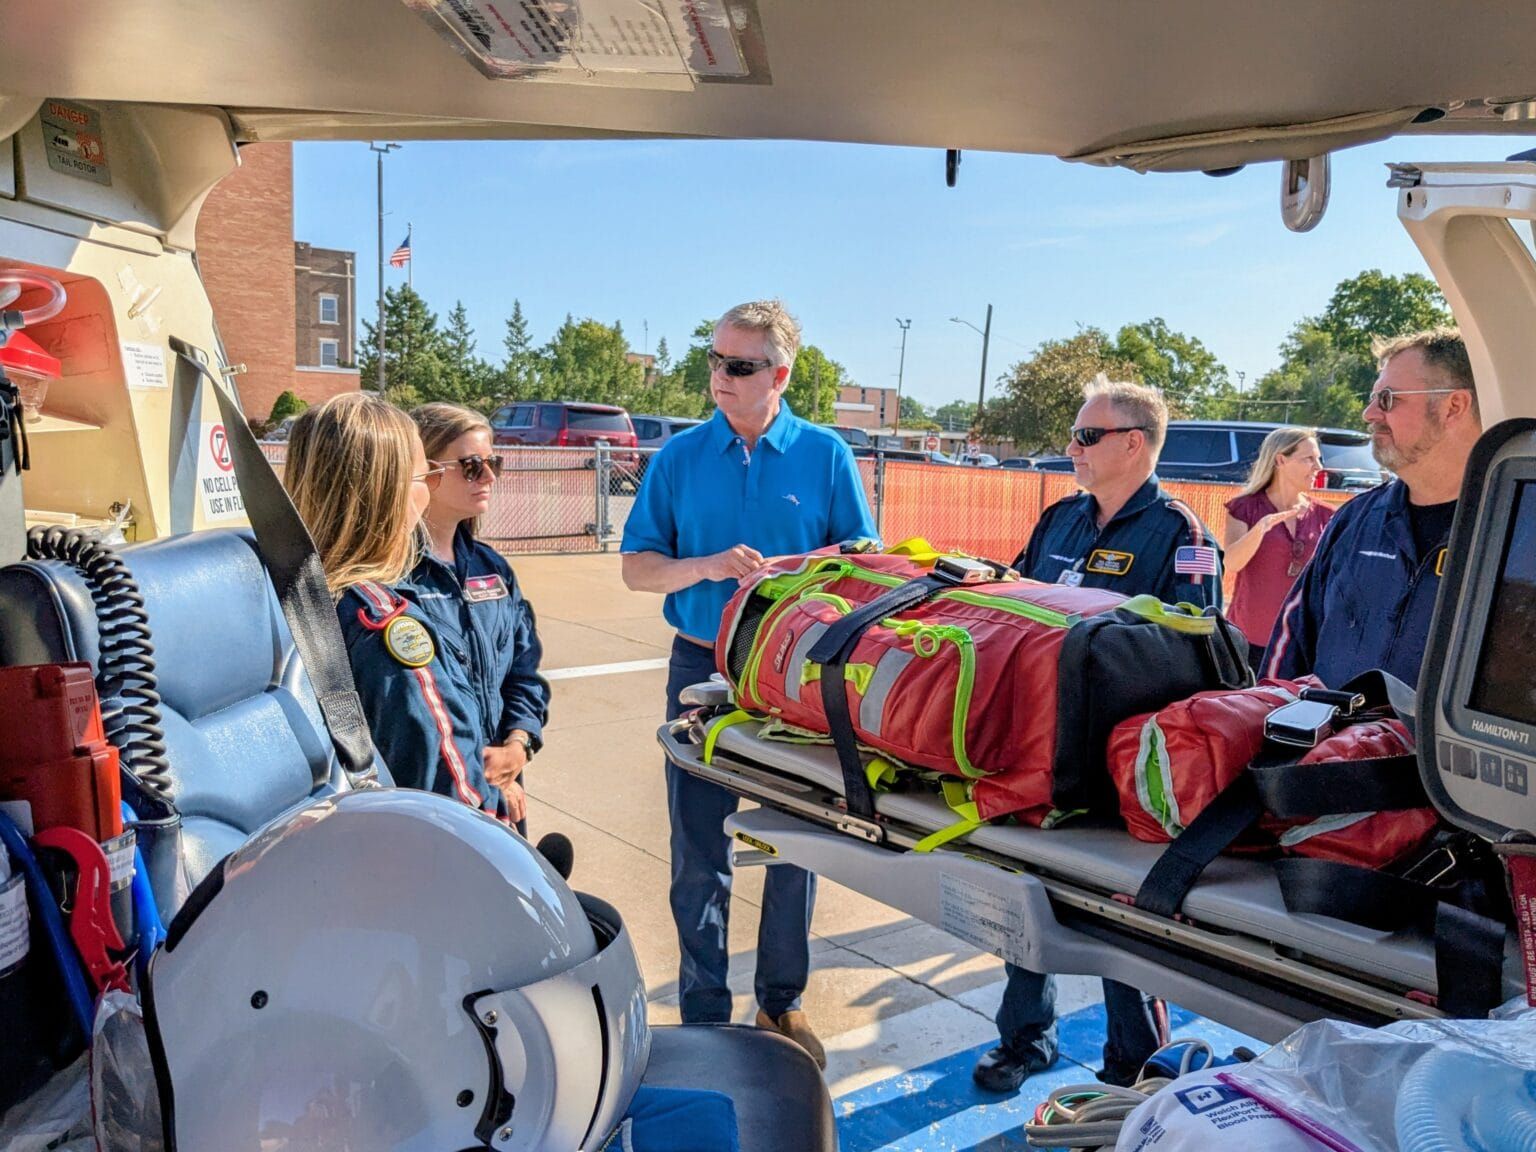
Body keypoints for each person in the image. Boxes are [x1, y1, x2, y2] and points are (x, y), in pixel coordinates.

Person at [621, 299, 878, 1068]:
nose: (719, 379)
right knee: (698, 847)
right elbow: (637, 568)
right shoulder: (678, 459)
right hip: (702, 668)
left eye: (738, 366)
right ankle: (705, 1012)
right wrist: (703, 565)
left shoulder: (827, 456)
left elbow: (865, 562)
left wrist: (806, 573)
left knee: (797, 842)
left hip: (795, 683)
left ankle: (780, 1002)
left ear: (780, 374)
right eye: (714, 361)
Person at [976, 376, 1225, 1095]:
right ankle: (1025, 1039)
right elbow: (1013, 607)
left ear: (1134, 444)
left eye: (1086, 436)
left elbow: (1197, 647)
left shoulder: (1181, 533)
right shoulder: (1059, 519)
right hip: (1039, 749)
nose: (1072, 448)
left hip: (1118, 762)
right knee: (1026, 899)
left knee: (1123, 920)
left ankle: (1134, 1069)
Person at [285, 393, 525, 828]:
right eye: (423, 475)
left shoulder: (290, 593)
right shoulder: (384, 623)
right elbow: (455, 799)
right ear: (391, 492)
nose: (429, 488)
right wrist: (500, 811)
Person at [1265, 329, 1480, 686]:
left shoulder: (1514, 531)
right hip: (1329, 742)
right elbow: (1290, 647)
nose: (1369, 413)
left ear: (1452, 407)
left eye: (1388, 398)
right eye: (1372, 398)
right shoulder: (1355, 521)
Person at [413, 402, 550, 836]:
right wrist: (482, 775)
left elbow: (523, 670)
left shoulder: (492, 570)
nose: (489, 477)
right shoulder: (390, 582)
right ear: (426, 471)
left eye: (494, 463)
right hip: (436, 800)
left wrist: (518, 745)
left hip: (505, 785)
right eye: (472, 466)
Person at [1223, 428, 1335, 666]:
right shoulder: (1245, 507)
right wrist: (1261, 528)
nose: (1318, 467)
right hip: (1246, 641)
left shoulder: (1327, 515)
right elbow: (1232, 562)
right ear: (1280, 460)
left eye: (1318, 459)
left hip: (1299, 643)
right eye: (1308, 459)